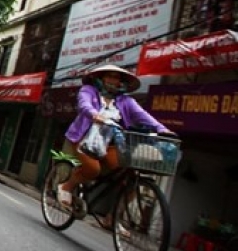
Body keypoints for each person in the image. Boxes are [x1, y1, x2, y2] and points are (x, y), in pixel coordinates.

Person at [57, 65, 173, 211]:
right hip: (83, 140)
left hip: (109, 144)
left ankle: (113, 217)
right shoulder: (89, 91)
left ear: (121, 82)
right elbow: (84, 104)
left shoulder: (126, 101)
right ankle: (66, 187)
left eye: (116, 77)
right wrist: (94, 114)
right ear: (101, 78)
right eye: (109, 76)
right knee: (93, 169)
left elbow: (143, 115)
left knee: (129, 175)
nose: (112, 80)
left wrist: (162, 128)